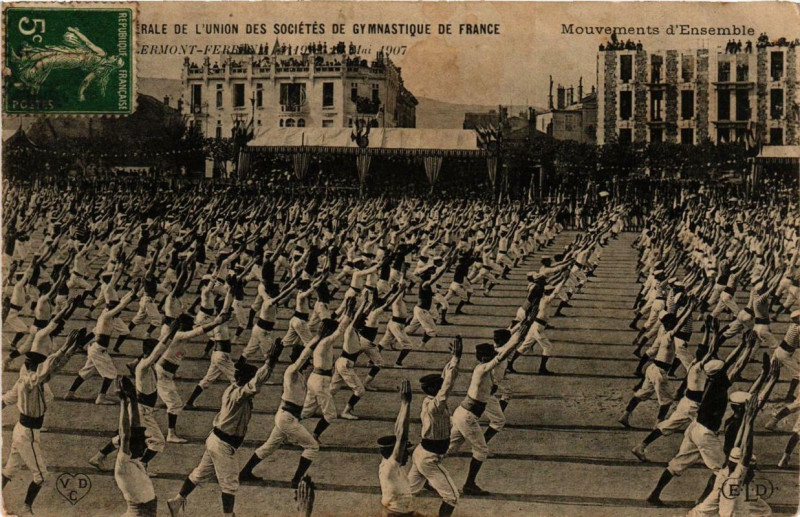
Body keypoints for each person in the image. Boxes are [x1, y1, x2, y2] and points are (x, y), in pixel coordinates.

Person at [167, 339, 284, 517]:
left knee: (199, 474)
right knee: (230, 484)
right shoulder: (239, 394)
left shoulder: (231, 389)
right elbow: (258, 381)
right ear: (244, 379)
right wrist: (270, 361)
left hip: (215, 440)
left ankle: (176, 501)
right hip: (223, 444)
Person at [2, 330, 81, 516]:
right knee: (41, 476)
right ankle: (26, 508)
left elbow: (55, 366)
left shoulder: (31, 380)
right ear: (36, 367)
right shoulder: (31, 381)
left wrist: (72, 348)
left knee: (9, 470)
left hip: (22, 431)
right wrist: (64, 347)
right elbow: (50, 366)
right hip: (27, 434)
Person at [447, 321, 527, 495]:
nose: (494, 355)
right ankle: (469, 485)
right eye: (491, 355)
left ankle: (421, 468)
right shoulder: (482, 369)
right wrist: (518, 338)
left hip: (464, 415)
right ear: (485, 358)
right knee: (481, 450)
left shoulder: (484, 368)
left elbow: (500, 353)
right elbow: (502, 355)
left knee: (448, 449)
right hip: (467, 417)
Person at [239, 338, 321, 486]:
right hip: (286, 418)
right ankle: (296, 481)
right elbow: (302, 359)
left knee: (268, 447)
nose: (309, 362)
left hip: (286, 417)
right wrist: (317, 339)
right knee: (312, 447)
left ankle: (244, 472)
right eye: (307, 359)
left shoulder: (301, 375)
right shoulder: (292, 371)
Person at [408, 336, 461, 517]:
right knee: (452, 497)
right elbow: (446, 385)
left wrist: (453, 359)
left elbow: (445, 379)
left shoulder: (429, 400)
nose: (441, 388)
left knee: (406, 494)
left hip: (421, 453)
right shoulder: (434, 406)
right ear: (432, 390)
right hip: (429, 458)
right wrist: (456, 360)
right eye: (438, 387)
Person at [114, 376, 158, 517]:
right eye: (141, 443)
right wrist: (123, 401)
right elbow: (125, 434)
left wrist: (133, 399)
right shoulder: (124, 463)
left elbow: (135, 428)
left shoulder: (134, 458)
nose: (145, 445)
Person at [378, 379, 416, 517]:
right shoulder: (391, 467)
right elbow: (402, 437)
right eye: (405, 451)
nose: (407, 454)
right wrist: (406, 404)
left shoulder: (387, 463)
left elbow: (397, 433)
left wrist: (402, 405)